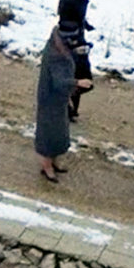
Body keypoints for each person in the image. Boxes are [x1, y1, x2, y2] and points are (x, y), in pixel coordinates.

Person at [35, 25, 94, 183]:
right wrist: (78, 82)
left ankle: (53, 162)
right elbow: (60, 81)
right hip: (50, 99)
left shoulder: (59, 47)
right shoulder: (56, 55)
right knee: (48, 133)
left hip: (58, 99)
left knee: (58, 132)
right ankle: (47, 166)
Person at [57, 0, 95, 121]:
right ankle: (66, 104)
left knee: (81, 77)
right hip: (74, 45)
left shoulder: (72, 0)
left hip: (77, 42)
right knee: (81, 78)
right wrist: (75, 43)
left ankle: (70, 106)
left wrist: (84, 25)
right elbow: (67, 24)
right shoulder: (70, 1)